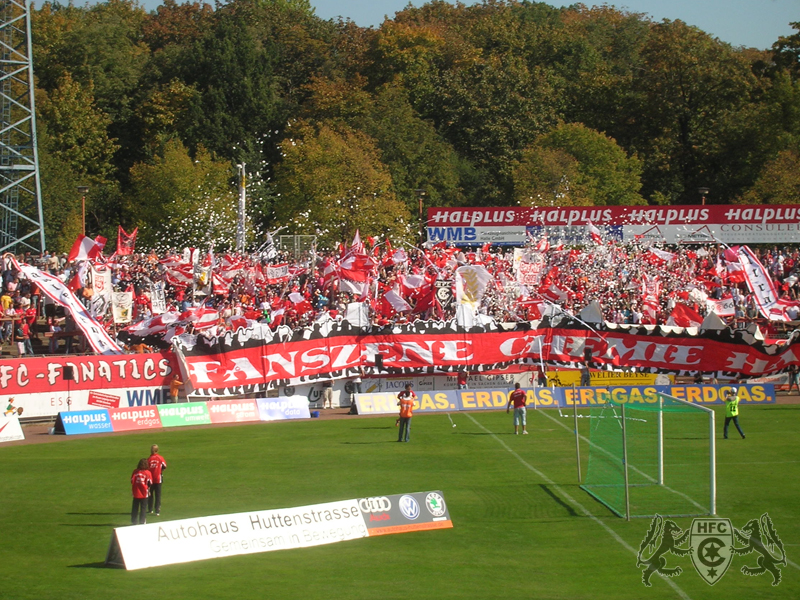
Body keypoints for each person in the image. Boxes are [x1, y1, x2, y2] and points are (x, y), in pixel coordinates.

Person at [131, 458, 152, 525]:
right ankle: (142, 521)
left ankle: (134, 521)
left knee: (135, 508)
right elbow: (150, 482)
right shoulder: (148, 473)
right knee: (143, 508)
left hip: (136, 492)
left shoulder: (135, 472)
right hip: (144, 493)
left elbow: (132, 481)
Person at [147, 445, 167, 516]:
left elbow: (146, 469)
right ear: (157, 450)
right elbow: (164, 466)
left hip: (150, 479)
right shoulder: (160, 458)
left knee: (150, 494)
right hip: (158, 479)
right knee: (158, 495)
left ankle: (150, 509)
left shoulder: (149, 459)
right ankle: (157, 510)